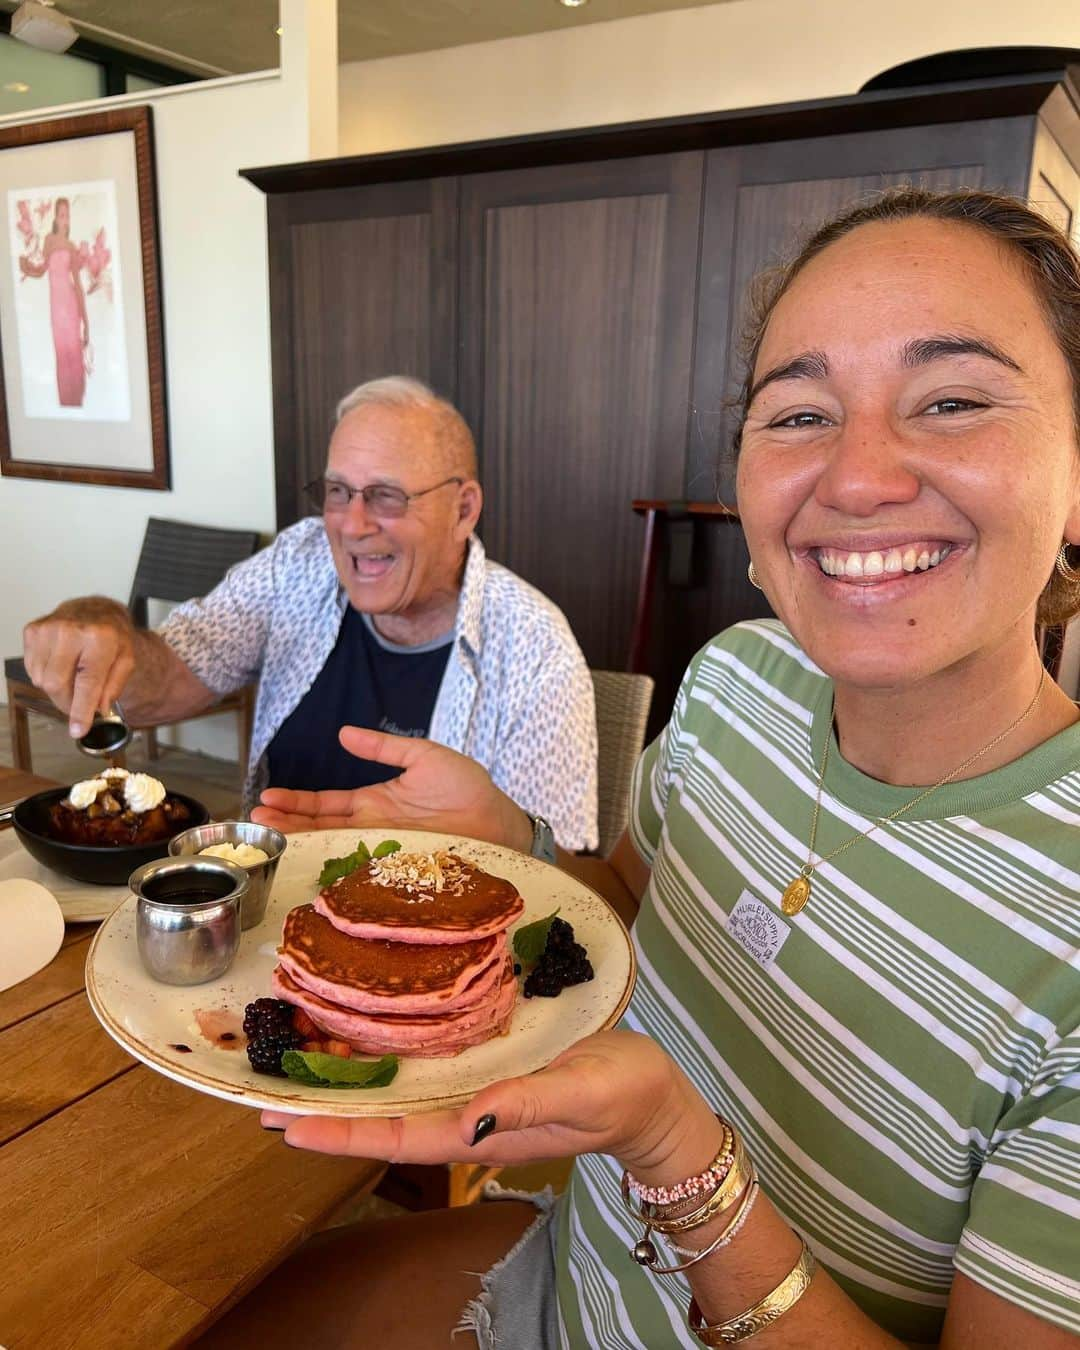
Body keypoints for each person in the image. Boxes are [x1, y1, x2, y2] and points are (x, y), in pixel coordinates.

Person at [204, 187, 1080, 1350]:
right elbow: (626, 913)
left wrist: (678, 1154)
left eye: (954, 399)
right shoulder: (736, 684)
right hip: (561, 1273)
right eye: (800, 415)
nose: (858, 477)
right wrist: (514, 845)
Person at [22, 377, 598, 850]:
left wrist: (507, 836)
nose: (351, 524)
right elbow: (165, 681)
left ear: (463, 508)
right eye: (338, 491)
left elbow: (561, 879)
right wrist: (106, 632)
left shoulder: (533, 648)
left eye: (387, 496)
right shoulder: (298, 563)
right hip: (271, 916)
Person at [19, 196, 90, 407]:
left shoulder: (71, 246)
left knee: (74, 353)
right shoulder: (49, 240)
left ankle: (77, 402)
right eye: (61, 215)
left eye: (67, 215)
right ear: (55, 218)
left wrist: (86, 323)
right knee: (61, 354)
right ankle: (66, 404)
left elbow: (78, 285)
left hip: (70, 306)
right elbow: (41, 270)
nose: (65, 219)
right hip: (56, 308)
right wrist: (26, 269)